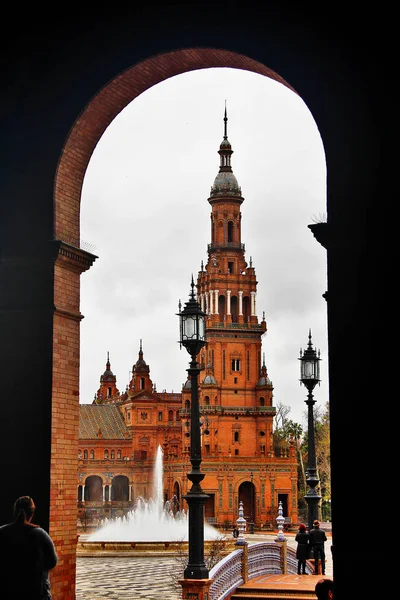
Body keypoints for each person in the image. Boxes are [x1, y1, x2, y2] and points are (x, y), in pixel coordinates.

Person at [0, 495, 58, 599]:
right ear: (32, 513)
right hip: (37, 592)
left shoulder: (2, 532)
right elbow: (52, 562)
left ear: (14, 511)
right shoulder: (40, 534)